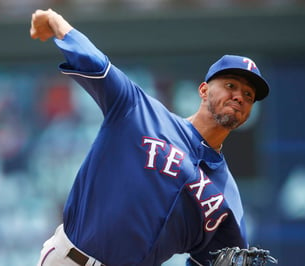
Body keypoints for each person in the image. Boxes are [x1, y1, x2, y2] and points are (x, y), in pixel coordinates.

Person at [30, 8, 270, 266]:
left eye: (248, 95)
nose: (238, 97)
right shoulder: (140, 111)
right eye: (231, 85)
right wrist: (56, 22)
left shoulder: (227, 198)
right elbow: (95, 63)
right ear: (203, 90)